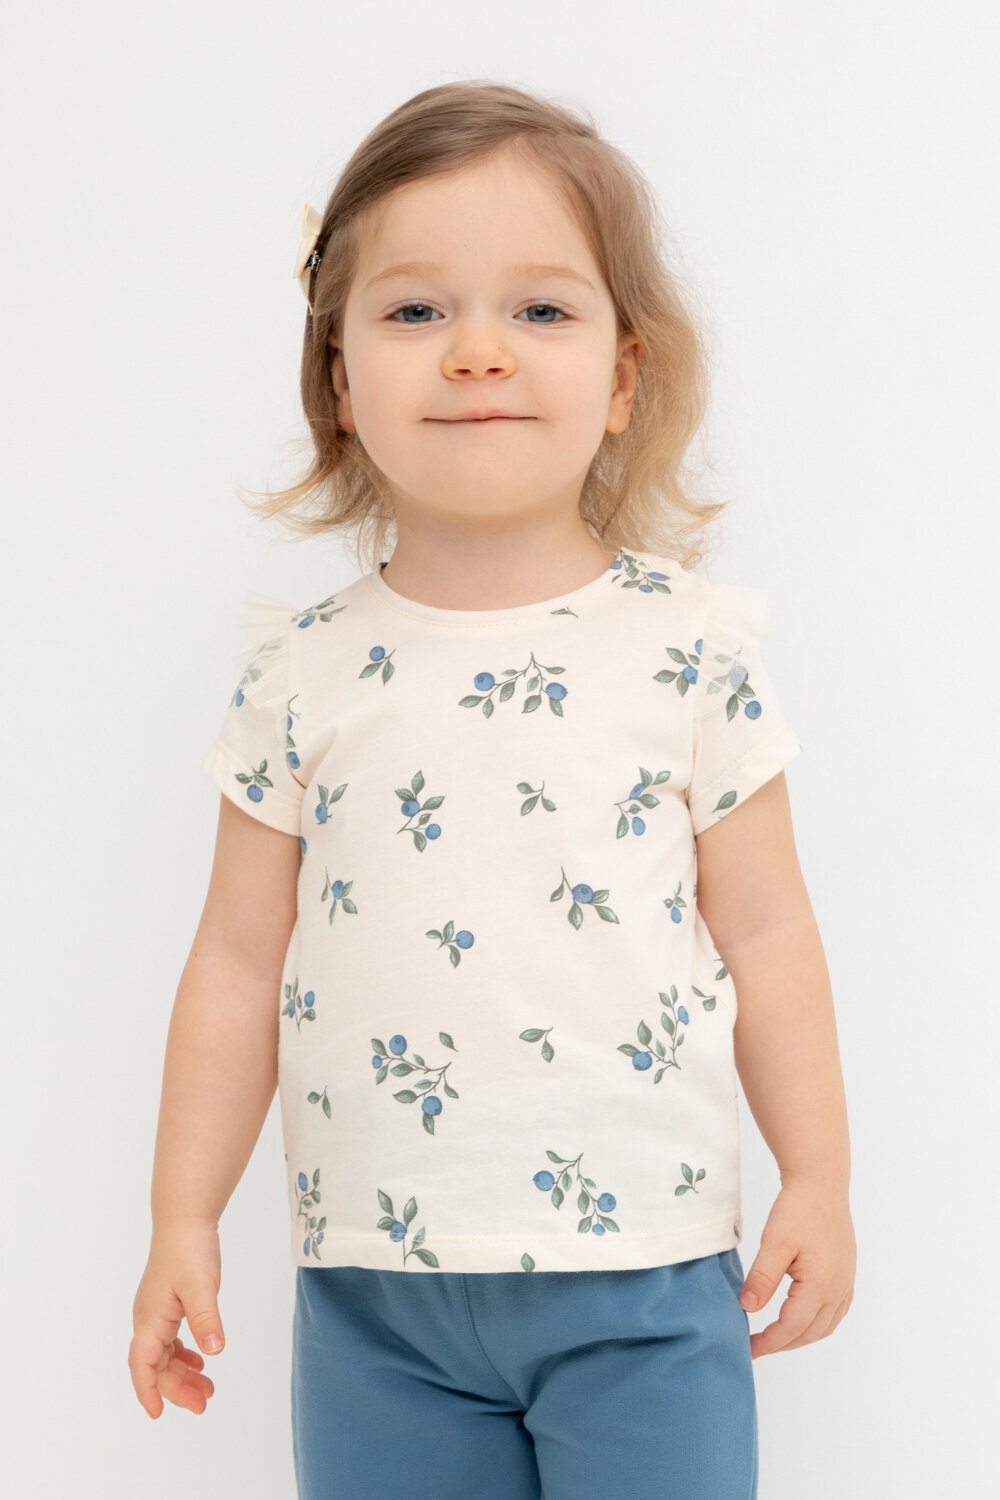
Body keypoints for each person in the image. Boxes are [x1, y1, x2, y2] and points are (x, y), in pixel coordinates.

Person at [129, 80, 855, 1499]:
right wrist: (181, 1217)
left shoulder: (691, 651)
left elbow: (770, 936)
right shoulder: (301, 674)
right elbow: (235, 964)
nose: (476, 350)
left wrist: (818, 1178)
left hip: (645, 1277)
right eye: (414, 310)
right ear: (339, 382)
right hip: (374, 1296)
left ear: (625, 378)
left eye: (539, 308)